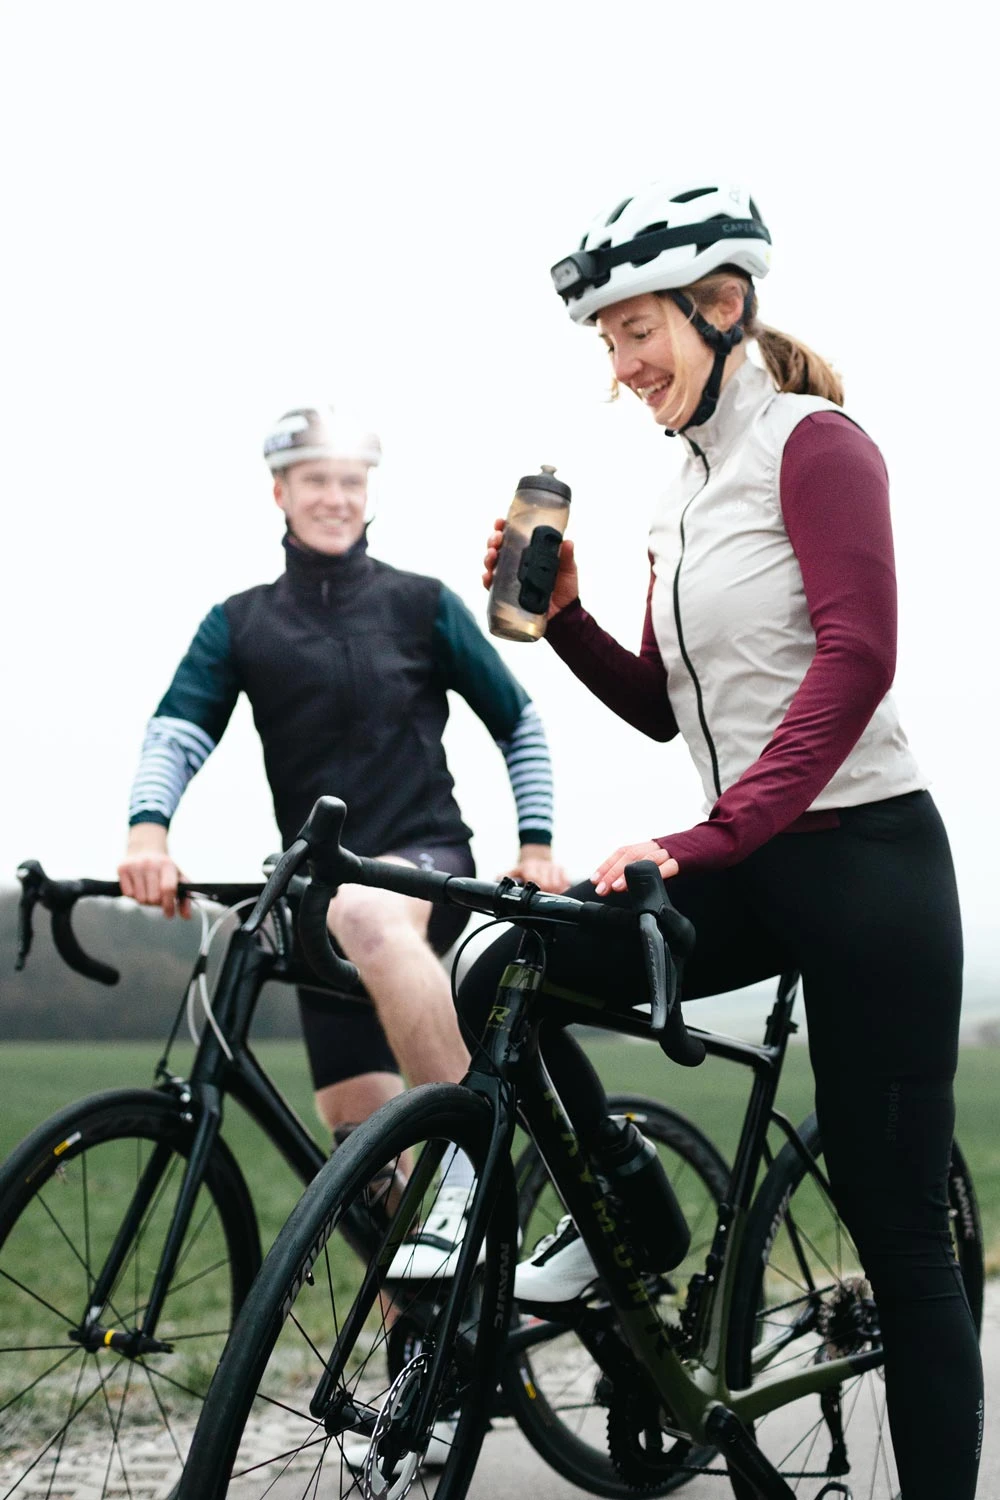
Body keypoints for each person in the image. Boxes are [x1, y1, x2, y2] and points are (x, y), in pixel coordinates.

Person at [472, 181, 982, 1498]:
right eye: (607, 342)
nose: (624, 364)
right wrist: (573, 618)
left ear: (723, 305)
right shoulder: (680, 496)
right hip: (742, 855)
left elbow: (858, 661)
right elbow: (667, 708)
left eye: (638, 330)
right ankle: (630, 1221)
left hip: (868, 866)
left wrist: (711, 835)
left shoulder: (819, 449)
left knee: (904, 1240)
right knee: (507, 972)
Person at [121, 405, 567, 1241]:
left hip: (423, 870)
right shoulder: (241, 621)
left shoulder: (420, 603)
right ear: (280, 492)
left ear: (368, 495)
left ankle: (472, 1170)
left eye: (350, 482)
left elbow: (520, 722)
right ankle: (429, 1356)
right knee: (374, 1199)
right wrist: (149, 832)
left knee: (365, 909)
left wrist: (536, 844)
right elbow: (176, 730)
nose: (334, 497)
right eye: (316, 480)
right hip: (319, 902)